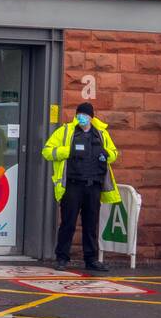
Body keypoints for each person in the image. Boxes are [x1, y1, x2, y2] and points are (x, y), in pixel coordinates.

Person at [41, 101, 121, 272]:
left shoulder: (101, 134)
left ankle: (91, 259)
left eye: (84, 115)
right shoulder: (66, 131)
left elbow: (114, 153)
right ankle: (62, 258)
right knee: (68, 223)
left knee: (91, 224)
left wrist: (107, 155)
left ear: (91, 117)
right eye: (79, 115)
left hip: (93, 186)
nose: (81, 118)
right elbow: (47, 151)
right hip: (72, 185)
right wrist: (67, 151)